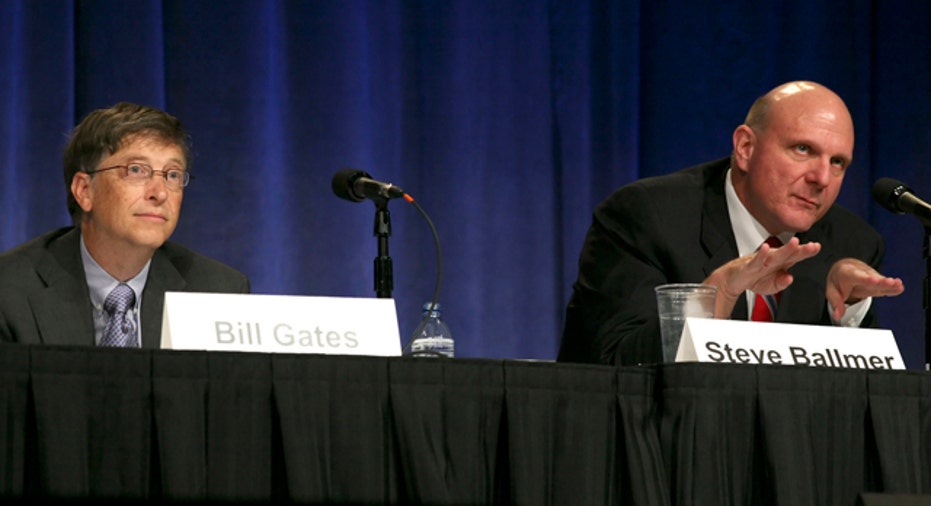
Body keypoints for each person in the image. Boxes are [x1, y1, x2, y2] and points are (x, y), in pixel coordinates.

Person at [558, 81, 905, 366]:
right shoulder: (648, 217)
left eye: (838, 162)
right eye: (803, 149)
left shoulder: (853, 245)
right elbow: (606, 362)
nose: (821, 178)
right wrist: (712, 301)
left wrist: (849, 312)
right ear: (745, 148)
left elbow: (861, 407)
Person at [0, 102, 250, 348]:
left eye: (172, 174)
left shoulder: (219, 293)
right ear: (84, 190)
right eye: (137, 170)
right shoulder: (10, 291)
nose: (160, 193)